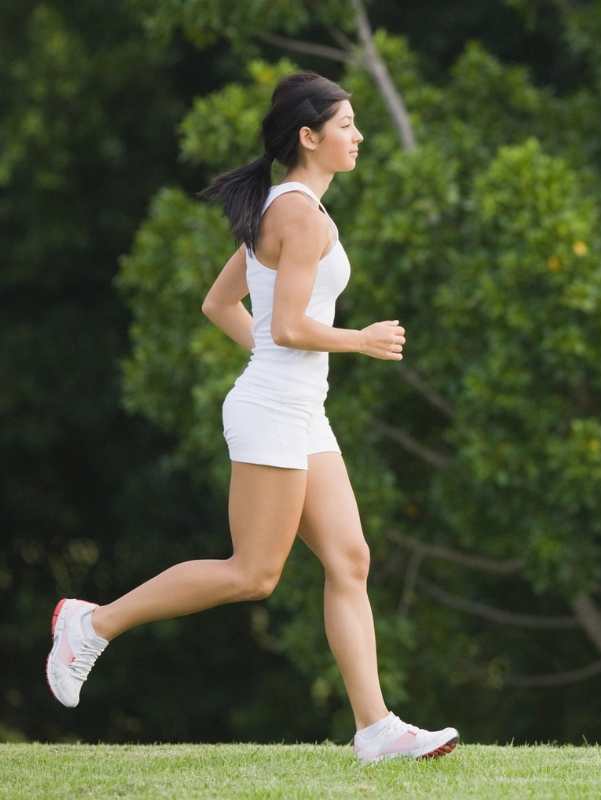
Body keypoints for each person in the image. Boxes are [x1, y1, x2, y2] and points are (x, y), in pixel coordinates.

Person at [44, 71, 459, 764]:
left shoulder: (290, 209)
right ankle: (92, 623)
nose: (358, 136)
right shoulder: (296, 213)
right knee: (253, 574)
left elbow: (222, 306)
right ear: (309, 136)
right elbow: (291, 325)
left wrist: (277, 354)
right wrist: (358, 340)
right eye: (347, 124)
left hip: (299, 409)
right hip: (272, 410)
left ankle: (376, 727)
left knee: (350, 559)